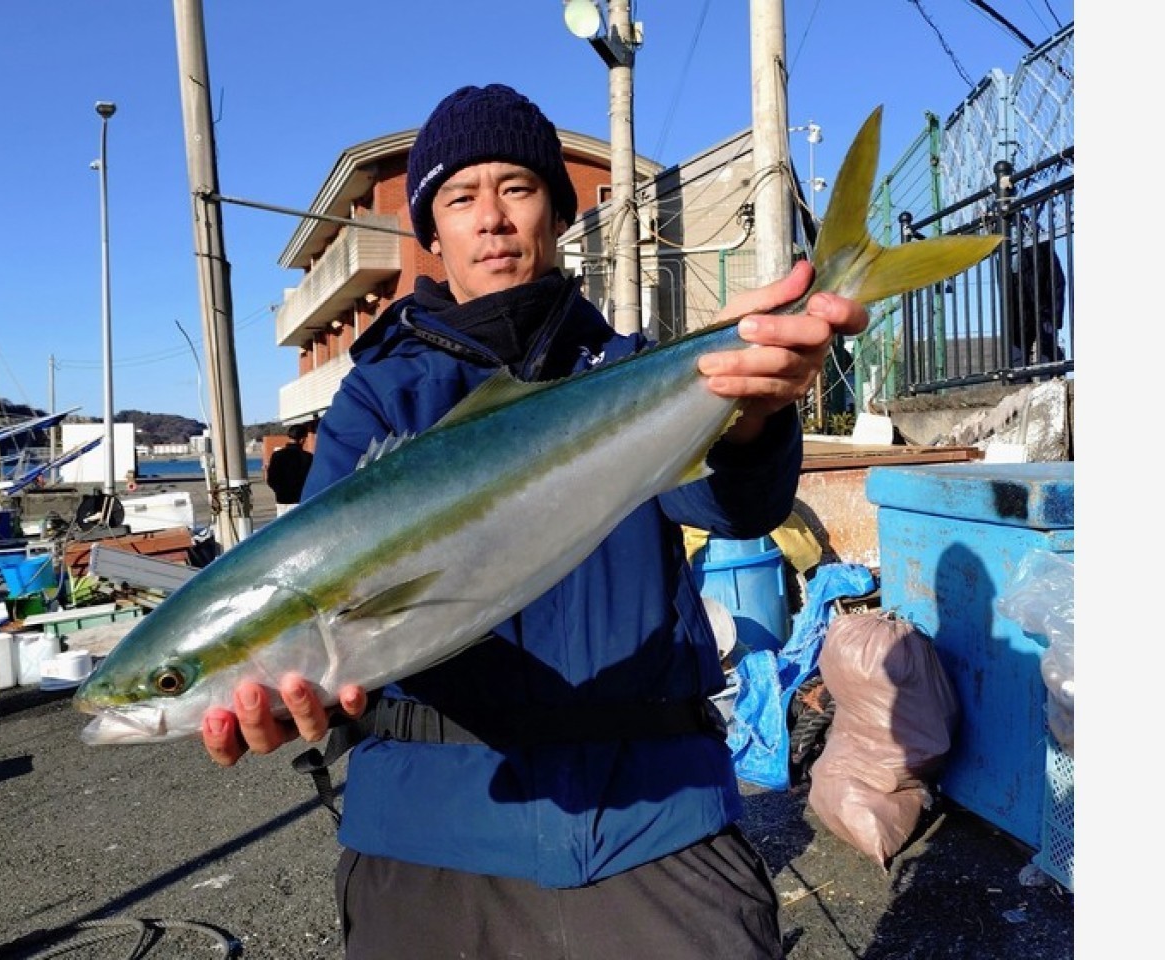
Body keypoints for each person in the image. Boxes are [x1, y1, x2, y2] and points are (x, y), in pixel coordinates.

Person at [201, 83, 868, 959]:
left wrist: (751, 420)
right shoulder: (378, 400)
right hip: (428, 841)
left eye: (516, 188)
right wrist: (298, 691)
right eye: (460, 197)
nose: (492, 219)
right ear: (432, 232)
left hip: (656, 819)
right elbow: (322, 592)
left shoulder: (632, 371)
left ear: (555, 212)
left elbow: (730, 506)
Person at [265, 424, 313, 517]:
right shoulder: (308, 457)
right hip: (300, 499)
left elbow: (271, 480)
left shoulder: (277, 455)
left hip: (282, 501)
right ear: (302, 439)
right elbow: (312, 479)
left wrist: (279, 491)